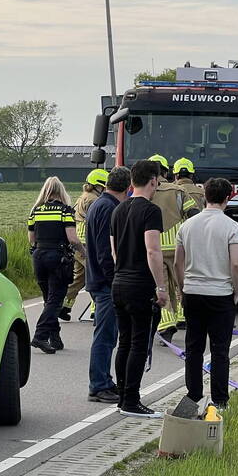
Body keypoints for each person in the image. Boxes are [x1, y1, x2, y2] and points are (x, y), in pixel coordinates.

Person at [175, 177, 238, 410]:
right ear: (227, 198)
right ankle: (220, 400)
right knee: (220, 350)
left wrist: (183, 288)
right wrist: (236, 291)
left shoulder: (187, 226)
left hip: (193, 292)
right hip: (221, 294)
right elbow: (236, 264)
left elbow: (178, 263)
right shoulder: (231, 227)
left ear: (204, 196)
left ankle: (194, 396)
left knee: (193, 348)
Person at [110, 160, 168, 418]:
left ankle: (122, 396)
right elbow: (153, 251)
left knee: (124, 342)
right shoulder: (151, 211)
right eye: (158, 182)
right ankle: (132, 400)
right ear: (153, 181)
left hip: (119, 281)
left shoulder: (118, 209)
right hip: (140, 284)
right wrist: (161, 286)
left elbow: (114, 251)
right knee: (139, 343)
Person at [84, 166, 130, 403]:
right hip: (105, 284)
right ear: (127, 187)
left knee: (108, 335)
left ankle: (104, 380)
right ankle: (99, 385)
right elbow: (105, 252)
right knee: (105, 336)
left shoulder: (100, 204)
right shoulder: (108, 208)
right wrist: (115, 281)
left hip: (98, 280)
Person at [27, 177, 81, 354]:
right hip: (58, 258)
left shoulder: (36, 211)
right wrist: (84, 252)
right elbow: (72, 238)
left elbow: (31, 238)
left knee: (48, 299)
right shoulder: (65, 211)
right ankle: (40, 336)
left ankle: (55, 338)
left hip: (39, 256)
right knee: (55, 300)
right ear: (61, 191)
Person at [147, 154, 198, 344]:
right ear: (166, 172)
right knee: (182, 286)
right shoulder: (178, 190)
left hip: (155, 249)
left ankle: (167, 324)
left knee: (161, 287)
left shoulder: (146, 192)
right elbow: (194, 214)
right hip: (178, 249)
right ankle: (189, 317)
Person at [61, 168, 107, 321]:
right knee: (97, 275)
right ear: (97, 185)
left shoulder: (83, 197)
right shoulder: (94, 200)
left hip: (79, 243)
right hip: (86, 244)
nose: (105, 189)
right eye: (103, 186)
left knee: (79, 278)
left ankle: (63, 306)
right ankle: (97, 308)